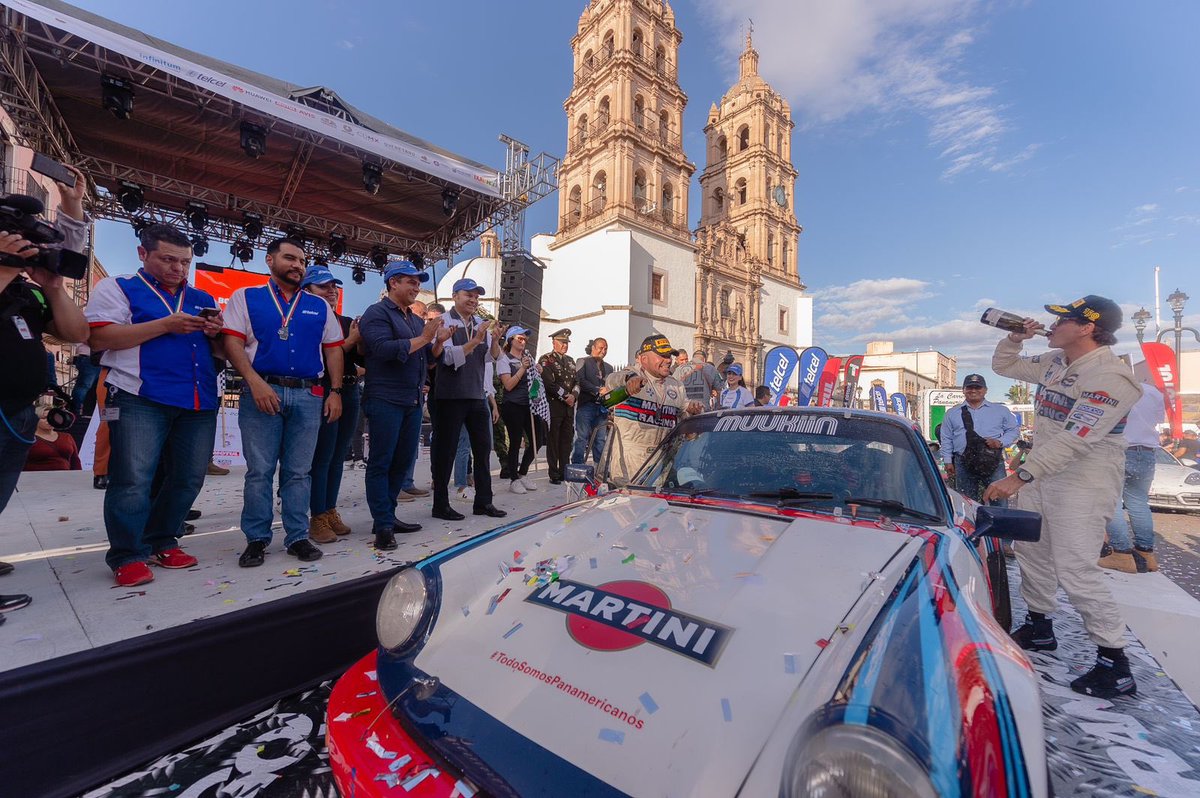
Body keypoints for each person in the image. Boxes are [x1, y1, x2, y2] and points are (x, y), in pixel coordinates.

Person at [983, 295, 1142, 699]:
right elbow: (1003, 366)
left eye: (1062, 320)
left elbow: (1077, 437)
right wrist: (1015, 339)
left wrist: (1019, 477)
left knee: (1075, 567)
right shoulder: (1055, 362)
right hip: (1041, 473)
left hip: (1083, 480)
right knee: (1033, 552)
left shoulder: (1111, 376)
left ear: (1088, 327)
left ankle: (1114, 661)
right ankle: (1040, 627)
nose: (1051, 325)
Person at [86, 223, 223, 586]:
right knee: (132, 479)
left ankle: (162, 539)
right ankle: (127, 554)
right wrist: (166, 325)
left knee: (188, 477)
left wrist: (216, 336)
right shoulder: (117, 287)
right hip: (138, 395)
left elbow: (221, 352)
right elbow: (100, 337)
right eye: (168, 259)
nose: (178, 268)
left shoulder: (200, 298)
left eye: (185, 262)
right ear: (142, 254)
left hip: (198, 398)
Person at [222, 238, 344, 567]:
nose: (298, 265)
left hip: (308, 395)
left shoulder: (319, 307)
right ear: (269, 260)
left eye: (302, 261)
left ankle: (297, 536)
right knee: (259, 471)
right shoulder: (245, 297)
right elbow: (231, 341)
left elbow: (334, 349)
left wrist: (335, 391)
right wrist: (254, 382)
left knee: (299, 472)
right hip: (262, 392)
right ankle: (257, 538)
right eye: (290, 258)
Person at [359, 262, 445, 548]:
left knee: (401, 461)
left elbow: (426, 360)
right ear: (393, 282)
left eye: (418, 282)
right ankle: (382, 525)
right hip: (385, 398)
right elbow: (382, 350)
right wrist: (424, 338)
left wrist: (437, 343)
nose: (416, 287)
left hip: (411, 400)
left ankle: (388, 515)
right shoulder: (377, 313)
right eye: (410, 281)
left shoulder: (415, 319)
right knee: (381, 462)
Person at [429, 278, 506, 520]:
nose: (473, 300)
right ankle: (440, 505)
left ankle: (484, 502)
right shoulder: (444, 322)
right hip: (450, 396)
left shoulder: (480, 324)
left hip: (476, 395)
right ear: (454, 296)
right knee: (446, 451)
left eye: (476, 296)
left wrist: (495, 340)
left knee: (483, 450)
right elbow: (449, 358)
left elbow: (490, 359)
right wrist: (475, 340)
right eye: (468, 295)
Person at [302, 265, 364, 544]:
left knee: (339, 456)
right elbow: (321, 357)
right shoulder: (305, 319)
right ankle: (317, 516)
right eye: (323, 287)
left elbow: (360, 362)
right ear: (307, 291)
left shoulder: (345, 319)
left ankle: (329, 510)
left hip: (349, 390)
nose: (331, 292)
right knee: (323, 456)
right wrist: (350, 341)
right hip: (325, 390)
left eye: (333, 287)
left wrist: (361, 343)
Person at [603, 335, 703, 484]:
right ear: (644, 359)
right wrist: (629, 380)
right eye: (662, 355)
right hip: (630, 464)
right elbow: (612, 379)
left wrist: (693, 410)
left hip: (662, 463)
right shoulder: (631, 375)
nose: (668, 360)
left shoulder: (676, 385)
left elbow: (685, 412)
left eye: (669, 355)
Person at [1100, 380, 1165, 573]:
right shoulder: (1153, 392)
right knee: (1138, 503)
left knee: (1112, 503)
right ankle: (1146, 554)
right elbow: (1157, 419)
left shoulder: (1113, 385)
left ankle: (1121, 553)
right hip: (1146, 451)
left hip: (1118, 448)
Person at [940, 374, 1019, 503]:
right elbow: (947, 438)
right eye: (970, 387)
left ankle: (999, 524)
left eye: (978, 387)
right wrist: (948, 461)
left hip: (992, 461)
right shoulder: (952, 413)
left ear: (985, 390)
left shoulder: (1000, 411)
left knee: (998, 500)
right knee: (966, 502)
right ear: (964, 390)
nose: (974, 390)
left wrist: (999, 442)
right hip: (963, 462)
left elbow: (1013, 430)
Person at [497, 326, 540, 493]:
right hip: (513, 405)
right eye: (519, 339)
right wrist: (522, 368)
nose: (523, 342)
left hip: (529, 405)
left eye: (525, 339)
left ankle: (523, 473)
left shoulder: (528, 357)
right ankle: (513, 478)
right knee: (515, 442)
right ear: (511, 340)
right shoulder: (504, 359)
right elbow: (508, 385)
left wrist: (537, 370)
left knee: (538, 440)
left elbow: (534, 380)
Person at [539, 328, 577, 484]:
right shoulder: (546, 359)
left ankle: (564, 471)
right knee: (554, 441)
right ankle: (554, 473)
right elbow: (549, 383)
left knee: (566, 441)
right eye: (562, 342)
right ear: (554, 342)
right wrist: (565, 396)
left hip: (568, 408)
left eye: (566, 343)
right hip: (555, 407)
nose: (565, 345)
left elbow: (577, 381)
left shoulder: (570, 361)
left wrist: (574, 395)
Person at [573, 336, 613, 465]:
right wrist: (597, 389)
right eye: (601, 348)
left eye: (606, 348)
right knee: (582, 438)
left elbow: (610, 386)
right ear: (593, 348)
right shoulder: (583, 361)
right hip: (586, 405)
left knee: (600, 439)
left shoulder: (609, 367)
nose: (603, 351)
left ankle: (599, 468)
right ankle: (577, 466)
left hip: (602, 408)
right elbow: (580, 380)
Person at [23, 398, 81, 471]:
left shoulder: (67, 437)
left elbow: (75, 461)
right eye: (44, 418)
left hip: (65, 478)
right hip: (36, 478)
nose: (49, 420)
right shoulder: (27, 438)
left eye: (53, 417)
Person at [70, 341, 101, 415]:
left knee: (90, 388)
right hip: (90, 356)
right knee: (85, 386)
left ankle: (83, 412)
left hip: (97, 357)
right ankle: (77, 411)